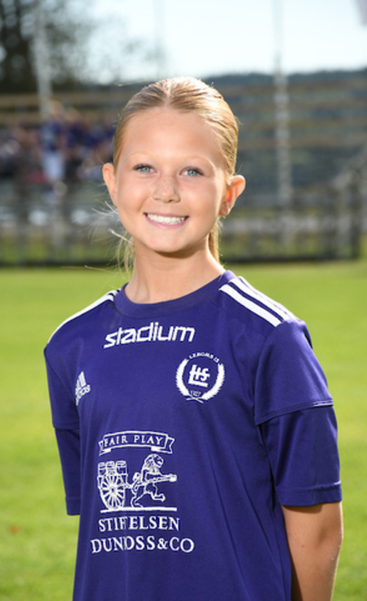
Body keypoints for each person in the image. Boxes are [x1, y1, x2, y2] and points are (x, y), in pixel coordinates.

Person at [44, 77, 343, 601]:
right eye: (144, 167)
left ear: (229, 194)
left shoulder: (269, 338)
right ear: (112, 182)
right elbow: (107, 520)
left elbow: (317, 529)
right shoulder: (72, 344)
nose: (165, 191)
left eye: (192, 171)